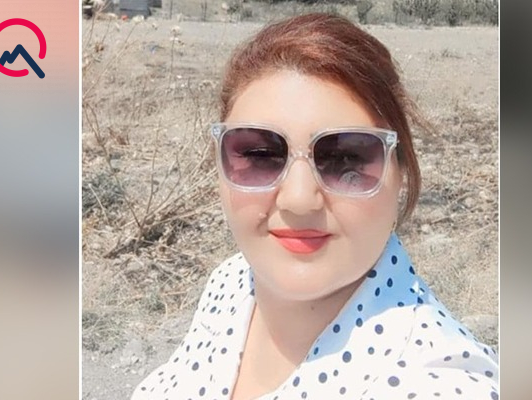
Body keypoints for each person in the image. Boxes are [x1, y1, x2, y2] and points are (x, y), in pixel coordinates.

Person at [131, 12, 499, 400]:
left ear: (401, 172)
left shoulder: (441, 385)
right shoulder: (232, 282)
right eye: (260, 155)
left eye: (346, 159)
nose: (298, 199)